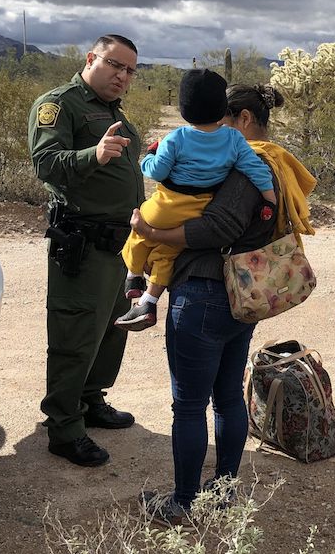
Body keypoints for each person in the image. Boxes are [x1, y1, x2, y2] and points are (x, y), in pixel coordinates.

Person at [129, 83, 315, 527]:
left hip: (205, 295)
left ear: (242, 120)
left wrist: (153, 235)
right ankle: (224, 491)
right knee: (227, 396)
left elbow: (218, 227)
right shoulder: (269, 162)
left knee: (190, 405)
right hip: (237, 297)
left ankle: (182, 504)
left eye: (224, 121)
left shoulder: (246, 166)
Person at [28, 34, 145, 467]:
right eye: (116, 65)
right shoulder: (60, 104)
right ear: (91, 58)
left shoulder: (114, 111)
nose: (123, 76)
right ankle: (63, 427)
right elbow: (45, 163)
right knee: (75, 336)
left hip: (119, 245)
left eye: (131, 70)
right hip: (83, 242)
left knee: (111, 329)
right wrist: (92, 155)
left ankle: (91, 400)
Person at [115, 69, 276, 331]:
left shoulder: (176, 137)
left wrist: (148, 156)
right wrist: (270, 200)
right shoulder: (234, 139)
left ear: (184, 109)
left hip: (167, 206)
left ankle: (133, 277)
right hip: (199, 208)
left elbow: (157, 171)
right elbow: (255, 170)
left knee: (139, 231)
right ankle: (150, 299)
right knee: (168, 251)